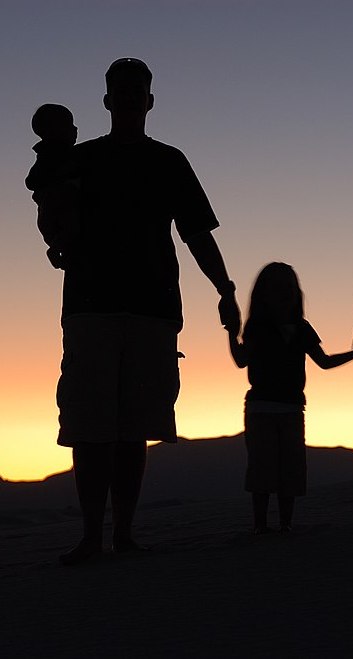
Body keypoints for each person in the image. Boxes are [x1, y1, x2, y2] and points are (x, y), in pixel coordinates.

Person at [50, 58, 240, 565]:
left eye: (139, 91)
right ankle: (94, 535)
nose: (131, 98)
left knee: (134, 426)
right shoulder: (79, 160)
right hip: (91, 306)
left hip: (152, 307)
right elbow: (56, 220)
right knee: (92, 426)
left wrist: (225, 287)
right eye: (122, 90)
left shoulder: (169, 161)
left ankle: (122, 535)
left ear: (149, 101)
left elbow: (197, 232)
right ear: (108, 100)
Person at [226, 262, 353, 533]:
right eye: (278, 289)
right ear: (264, 294)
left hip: (290, 409)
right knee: (265, 468)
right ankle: (262, 526)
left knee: (288, 468)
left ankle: (284, 524)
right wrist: (232, 332)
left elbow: (323, 362)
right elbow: (242, 360)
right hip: (263, 408)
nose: (284, 294)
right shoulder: (259, 327)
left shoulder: (300, 328)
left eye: (288, 288)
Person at [25, 103, 80, 269]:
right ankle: (57, 248)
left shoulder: (66, 155)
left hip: (57, 212)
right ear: (53, 131)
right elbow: (31, 181)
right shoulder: (50, 155)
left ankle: (59, 248)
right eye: (69, 125)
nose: (75, 129)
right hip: (55, 210)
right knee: (71, 226)